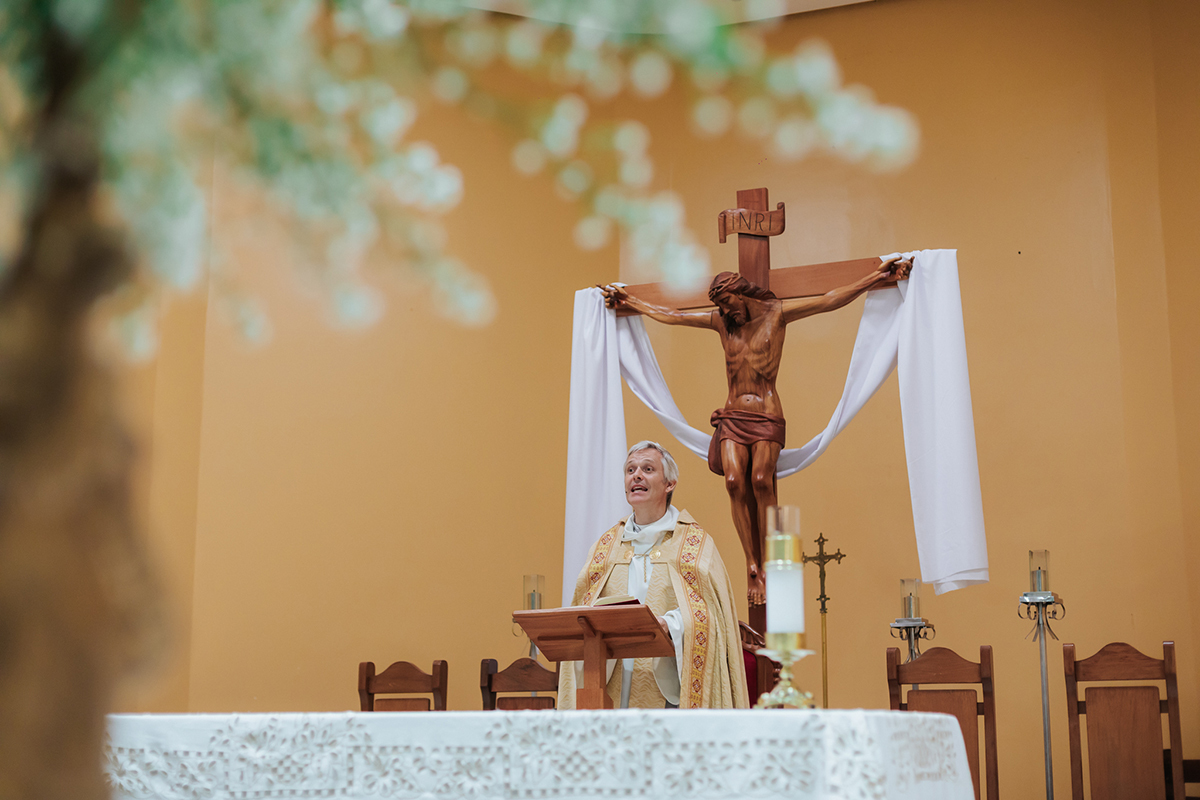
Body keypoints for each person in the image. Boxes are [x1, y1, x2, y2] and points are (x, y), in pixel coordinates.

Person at [601, 257, 911, 607]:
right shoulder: (722, 323)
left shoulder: (775, 314)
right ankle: (752, 563)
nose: (725, 311)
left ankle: (774, 557)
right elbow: (675, 316)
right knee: (734, 481)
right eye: (719, 306)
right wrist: (632, 304)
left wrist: (873, 279)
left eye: (728, 302)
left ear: (740, 293)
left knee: (762, 478)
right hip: (733, 414)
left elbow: (829, 299)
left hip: (765, 413)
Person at [557, 441, 748, 709]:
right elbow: (582, 611)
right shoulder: (607, 545)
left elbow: (712, 617)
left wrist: (671, 625)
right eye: (630, 470)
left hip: (671, 691)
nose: (637, 475)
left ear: (669, 483)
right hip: (609, 685)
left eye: (648, 469)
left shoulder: (693, 543)